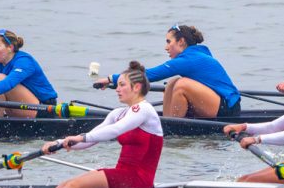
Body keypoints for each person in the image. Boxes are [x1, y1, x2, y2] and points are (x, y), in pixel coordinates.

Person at [48, 61, 163, 188]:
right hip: (123, 175)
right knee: (63, 185)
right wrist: (58, 143)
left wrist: (80, 138)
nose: (117, 89)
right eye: (117, 85)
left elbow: (116, 130)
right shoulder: (118, 113)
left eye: (122, 85)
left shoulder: (144, 109)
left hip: (139, 178)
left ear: (136, 87)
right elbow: (91, 139)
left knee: (73, 186)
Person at [98, 25, 240, 119]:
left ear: (181, 42)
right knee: (172, 83)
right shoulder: (194, 54)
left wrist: (112, 79)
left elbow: (150, 75)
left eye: (168, 42)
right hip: (217, 102)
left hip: (227, 110)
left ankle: (171, 128)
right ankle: (167, 121)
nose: (166, 47)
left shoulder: (189, 59)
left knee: (181, 85)